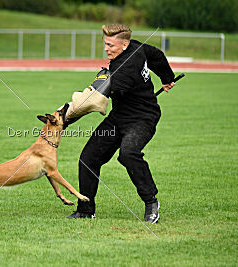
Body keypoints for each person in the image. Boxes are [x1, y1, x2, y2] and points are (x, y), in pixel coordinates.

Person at [67, 24, 175, 223]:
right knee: (88, 158)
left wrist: (64, 118)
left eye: (111, 45)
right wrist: (167, 78)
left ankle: (151, 202)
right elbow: (157, 55)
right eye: (105, 44)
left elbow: (91, 101)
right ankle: (85, 210)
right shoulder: (136, 46)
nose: (107, 49)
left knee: (128, 154)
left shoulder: (123, 70)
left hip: (143, 118)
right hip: (119, 117)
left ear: (124, 45)